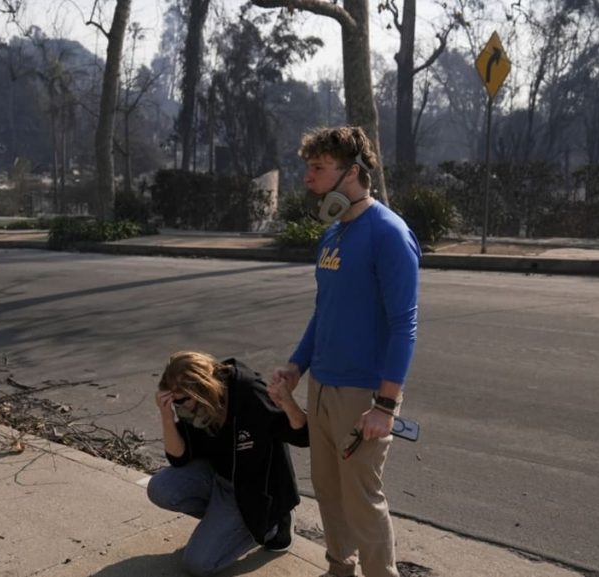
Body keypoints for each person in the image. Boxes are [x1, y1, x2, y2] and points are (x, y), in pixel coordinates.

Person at [272, 126, 420, 577]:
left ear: (352, 172)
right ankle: (340, 568)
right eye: (308, 168)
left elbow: (403, 326)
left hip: (363, 396)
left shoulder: (389, 234)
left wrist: (386, 406)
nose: (308, 178)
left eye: (318, 168)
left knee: (362, 500)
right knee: (329, 492)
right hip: (321, 387)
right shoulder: (333, 234)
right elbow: (325, 313)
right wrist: (297, 367)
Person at [147, 351, 308, 577]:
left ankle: (274, 525)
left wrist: (288, 404)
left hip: (252, 492)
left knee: (198, 564)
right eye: (174, 401)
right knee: (160, 489)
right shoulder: (195, 408)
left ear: (202, 390)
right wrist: (166, 416)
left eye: (181, 400)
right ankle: (221, 527)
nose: (178, 406)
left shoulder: (248, 392)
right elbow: (179, 458)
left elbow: (304, 436)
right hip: (217, 478)